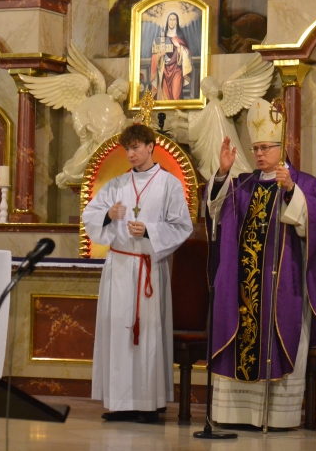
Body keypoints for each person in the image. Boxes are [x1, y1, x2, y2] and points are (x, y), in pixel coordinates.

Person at [208, 98, 316, 429]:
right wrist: (223, 173)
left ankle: (277, 417)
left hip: (285, 285)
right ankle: (235, 415)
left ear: (281, 147)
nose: (260, 154)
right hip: (243, 287)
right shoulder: (243, 185)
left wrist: (291, 191)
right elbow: (216, 213)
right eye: (256, 148)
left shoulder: (304, 182)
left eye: (266, 148)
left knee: (281, 336)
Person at [82, 124, 193, 424]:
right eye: (127, 149)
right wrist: (108, 215)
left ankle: (148, 404)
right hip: (119, 268)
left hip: (148, 268)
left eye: (136, 147)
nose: (130, 154)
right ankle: (121, 404)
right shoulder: (117, 184)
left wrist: (149, 230)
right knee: (119, 334)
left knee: (146, 336)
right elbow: (90, 215)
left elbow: (182, 226)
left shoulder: (169, 184)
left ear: (150, 147)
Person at [56, 78, 129, 188]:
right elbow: (79, 113)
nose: (120, 94)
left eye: (123, 93)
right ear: (114, 87)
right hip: (94, 139)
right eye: (119, 90)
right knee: (83, 162)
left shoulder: (118, 109)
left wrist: (133, 122)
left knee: (101, 164)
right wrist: (91, 129)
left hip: (107, 145)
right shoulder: (98, 99)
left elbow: (122, 125)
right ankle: (66, 176)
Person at [150, 12, 192, 101]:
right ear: (167, 21)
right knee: (164, 96)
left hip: (176, 69)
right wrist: (159, 55)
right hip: (164, 69)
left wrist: (178, 46)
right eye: (170, 19)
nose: (172, 22)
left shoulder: (180, 38)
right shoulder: (162, 37)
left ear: (177, 22)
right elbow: (154, 54)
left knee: (176, 95)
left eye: (174, 20)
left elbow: (188, 53)